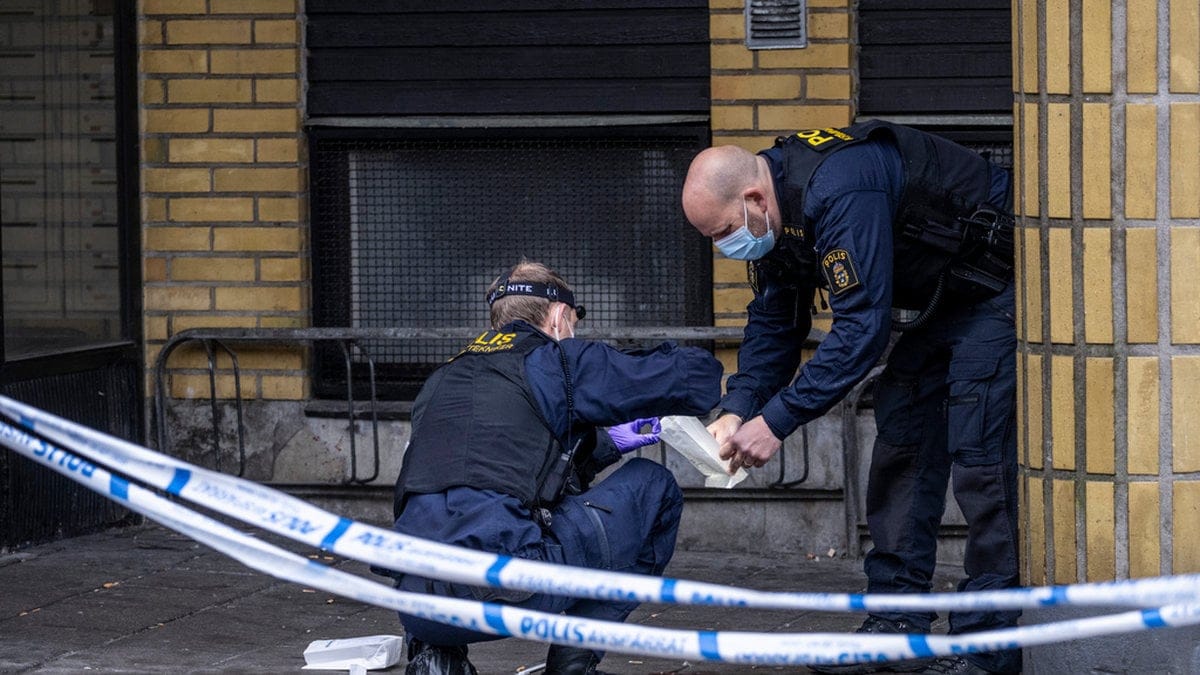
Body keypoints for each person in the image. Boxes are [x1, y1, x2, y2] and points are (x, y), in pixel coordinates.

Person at [681, 122, 1019, 675]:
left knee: (980, 460)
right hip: (944, 299)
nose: (723, 247)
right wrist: (738, 408)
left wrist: (776, 421)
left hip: (997, 288)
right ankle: (895, 630)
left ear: (754, 199)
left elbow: (861, 332)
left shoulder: (840, 188)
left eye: (724, 232)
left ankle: (987, 650)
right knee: (902, 437)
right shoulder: (776, 215)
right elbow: (773, 324)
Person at [388, 260, 724, 675]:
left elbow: (507, 471)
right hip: (504, 592)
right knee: (653, 487)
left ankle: (437, 660)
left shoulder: (442, 379)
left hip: (416, 602)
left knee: (441, 516)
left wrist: (608, 442)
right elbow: (698, 378)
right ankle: (572, 668)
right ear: (559, 317)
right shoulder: (557, 361)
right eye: (574, 324)